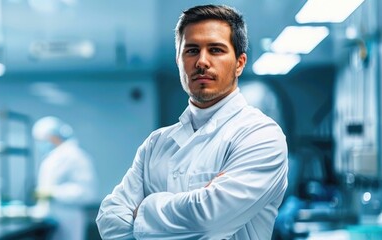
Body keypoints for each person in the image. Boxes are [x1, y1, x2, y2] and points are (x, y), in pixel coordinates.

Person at [96, 4, 288, 239]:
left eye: (216, 50)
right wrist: (194, 204)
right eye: (192, 50)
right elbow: (109, 221)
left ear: (239, 63)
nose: (202, 62)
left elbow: (208, 221)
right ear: (179, 61)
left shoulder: (260, 135)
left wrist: (142, 212)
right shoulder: (156, 144)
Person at [32, 116, 97, 240]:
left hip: (69, 219)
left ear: (53, 137)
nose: (40, 144)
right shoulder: (53, 157)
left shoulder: (76, 156)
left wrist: (53, 193)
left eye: (41, 140)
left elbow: (87, 193)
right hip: (51, 219)